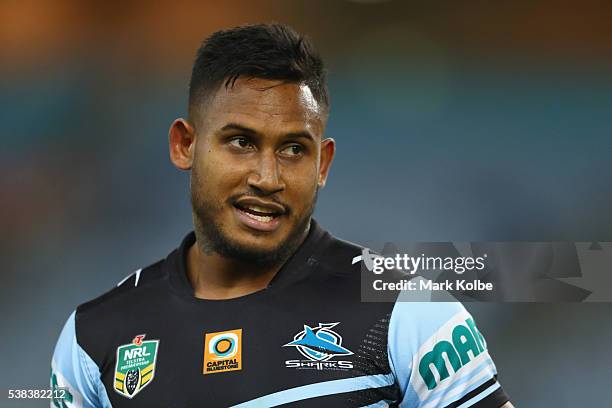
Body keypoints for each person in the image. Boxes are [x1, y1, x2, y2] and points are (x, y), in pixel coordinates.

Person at [50, 23, 513, 408]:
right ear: (184, 145)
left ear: (323, 164)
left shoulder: (406, 311)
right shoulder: (92, 338)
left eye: (293, 149)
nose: (267, 177)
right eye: (241, 142)